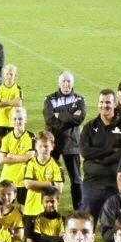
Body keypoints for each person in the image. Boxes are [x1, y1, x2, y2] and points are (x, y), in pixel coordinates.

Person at [79, 89, 121, 217]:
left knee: (118, 223)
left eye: (108, 102)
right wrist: (111, 150)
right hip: (92, 183)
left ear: (115, 104)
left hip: (115, 183)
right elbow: (84, 151)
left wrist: (102, 159)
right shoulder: (89, 127)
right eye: (101, 102)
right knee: (87, 220)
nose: (105, 105)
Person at [42, 71, 86, 210]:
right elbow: (49, 118)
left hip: (72, 144)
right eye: (63, 81)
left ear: (72, 83)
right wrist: (69, 117)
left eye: (68, 81)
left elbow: (79, 119)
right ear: (59, 83)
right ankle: (48, 207)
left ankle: (78, 209)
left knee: (76, 179)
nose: (66, 84)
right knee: (48, 177)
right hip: (52, 144)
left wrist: (59, 115)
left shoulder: (79, 99)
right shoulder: (49, 99)